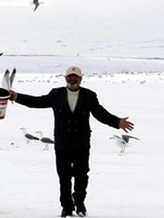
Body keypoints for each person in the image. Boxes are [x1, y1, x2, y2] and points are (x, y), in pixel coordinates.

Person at [8, 66, 134, 217]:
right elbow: (37, 102)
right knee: (64, 176)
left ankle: (80, 204)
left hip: (81, 142)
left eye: (76, 77)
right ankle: (67, 207)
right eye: (70, 76)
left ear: (80, 79)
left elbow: (100, 113)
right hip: (62, 143)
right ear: (65, 78)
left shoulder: (89, 96)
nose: (72, 79)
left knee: (82, 175)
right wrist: (17, 97)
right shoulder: (56, 94)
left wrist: (117, 122)